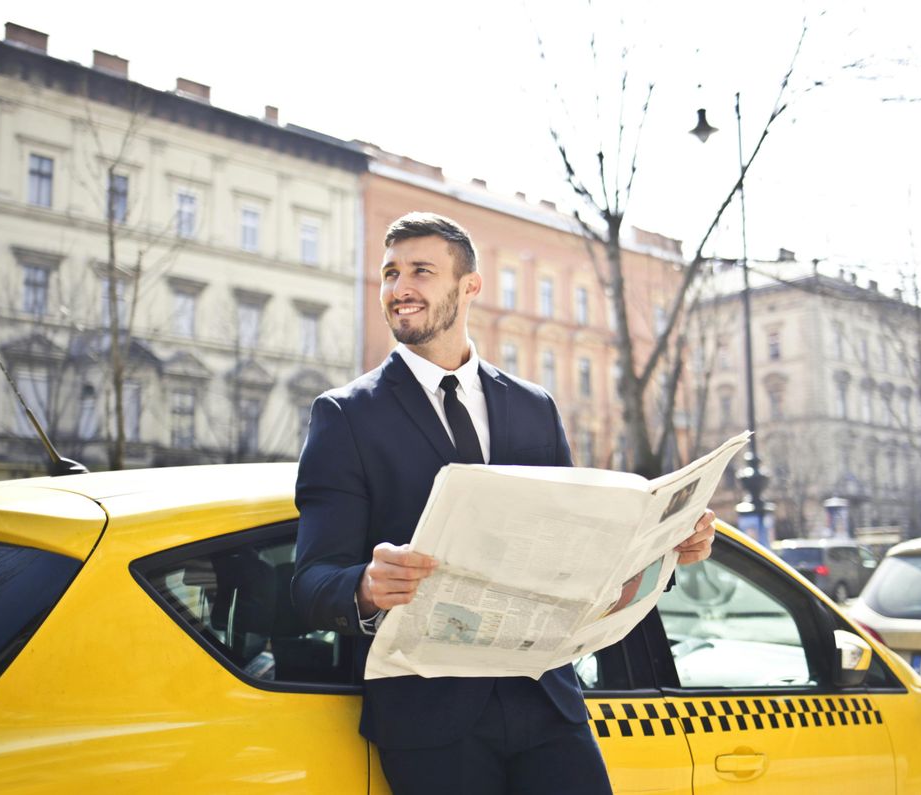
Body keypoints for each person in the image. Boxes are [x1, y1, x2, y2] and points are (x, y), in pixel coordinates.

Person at [293, 212, 717, 795]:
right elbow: (311, 581)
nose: (399, 288)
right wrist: (365, 586)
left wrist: (668, 551)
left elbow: (579, 553)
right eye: (390, 273)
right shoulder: (345, 416)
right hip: (430, 721)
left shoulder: (533, 406)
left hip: (547, 702)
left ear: (471, 287)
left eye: (421, 270)